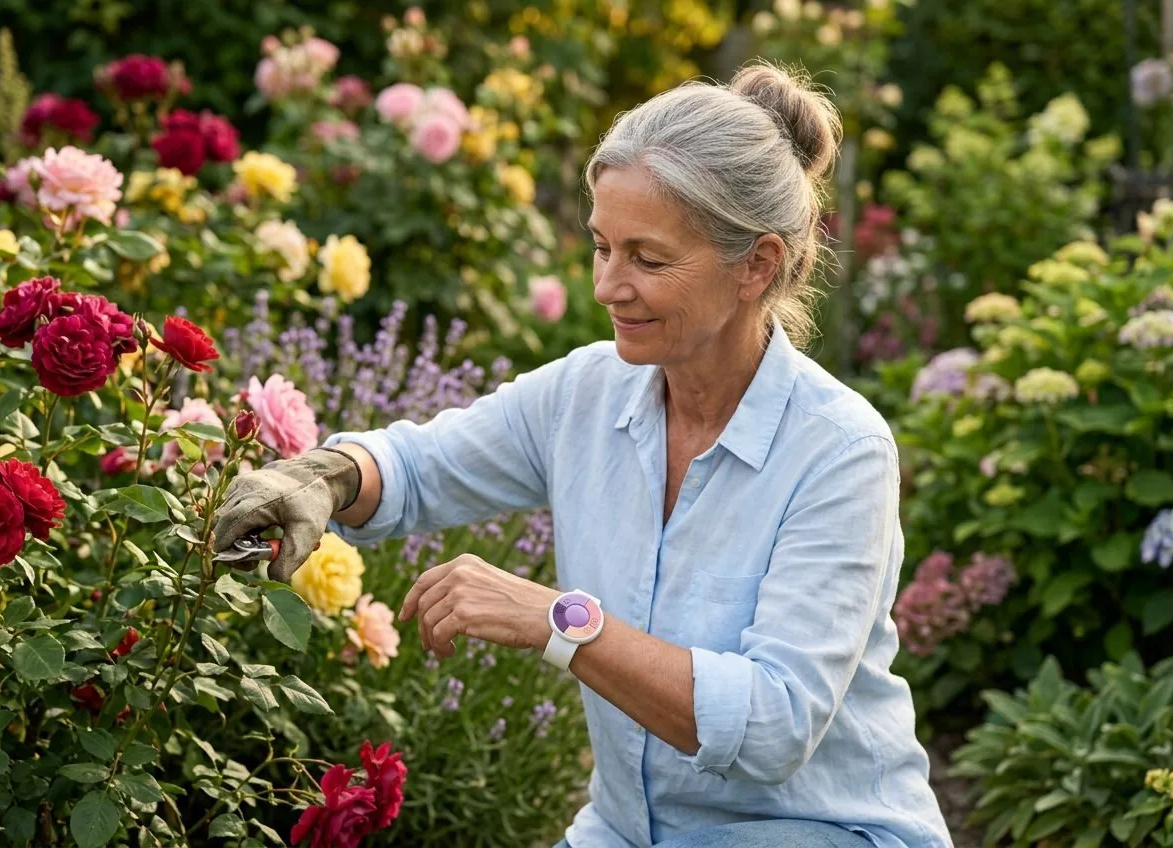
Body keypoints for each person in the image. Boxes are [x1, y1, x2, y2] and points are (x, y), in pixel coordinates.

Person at [213, 61, 954, 848]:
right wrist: (322, 478)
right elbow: (421, 467)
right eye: (602, 247)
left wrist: (558, 621)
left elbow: (772, 726)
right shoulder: (588, 394)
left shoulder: (840, 451)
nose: (607, 286)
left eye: (648, 258)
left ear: (758, 266)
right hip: (627, 833)